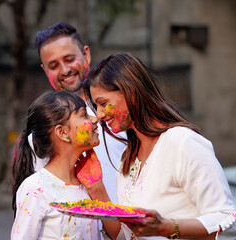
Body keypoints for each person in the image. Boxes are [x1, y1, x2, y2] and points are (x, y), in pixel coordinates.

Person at [76, 52, 236, 240]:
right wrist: (97, 189)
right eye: (97, 107)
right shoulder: (127, 158)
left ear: (131, 92)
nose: (100, 115)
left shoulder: (182, 142)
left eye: (103, 103)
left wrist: (165, 227)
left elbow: (225, 217)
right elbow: (125, 236)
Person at [34, 21, 126, 204]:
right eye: (54, 66)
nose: (65, 70)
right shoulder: (43, 132)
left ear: (86, 54)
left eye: (69, 59)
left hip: (128, 227)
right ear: (45, 71)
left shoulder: (118, 111)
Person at [10, 91, 103, 239]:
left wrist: (97, 188)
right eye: (84, 115)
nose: (95, 118)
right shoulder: (36, 189)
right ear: (62, 132)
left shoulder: (87, 184)